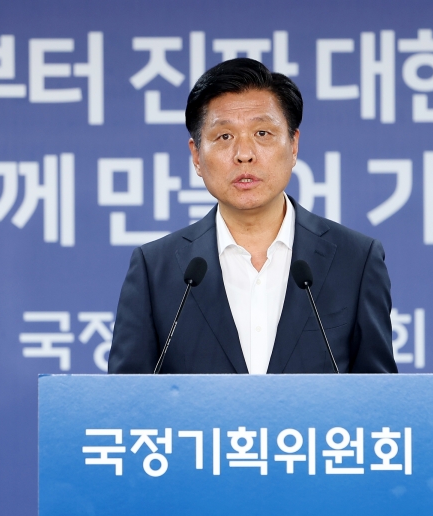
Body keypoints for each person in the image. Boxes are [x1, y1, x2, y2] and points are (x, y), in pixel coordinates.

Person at [108, 58, 397, 374]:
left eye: (262, 132)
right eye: (224, 137)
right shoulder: (155, 270)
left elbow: (379, 396)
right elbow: (127, 399)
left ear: (293, 145)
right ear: (196, 156)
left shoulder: (356, 261)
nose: (244, 154)